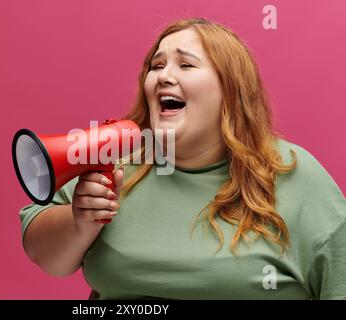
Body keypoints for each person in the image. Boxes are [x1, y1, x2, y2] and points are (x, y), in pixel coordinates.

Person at [19, 18, 346, 299]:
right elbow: (47, 257)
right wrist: (80, 222)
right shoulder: (118, 157)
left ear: (231, 90)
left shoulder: (292, 173)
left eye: (186, 65)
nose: (163, 76)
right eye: (156, 66)